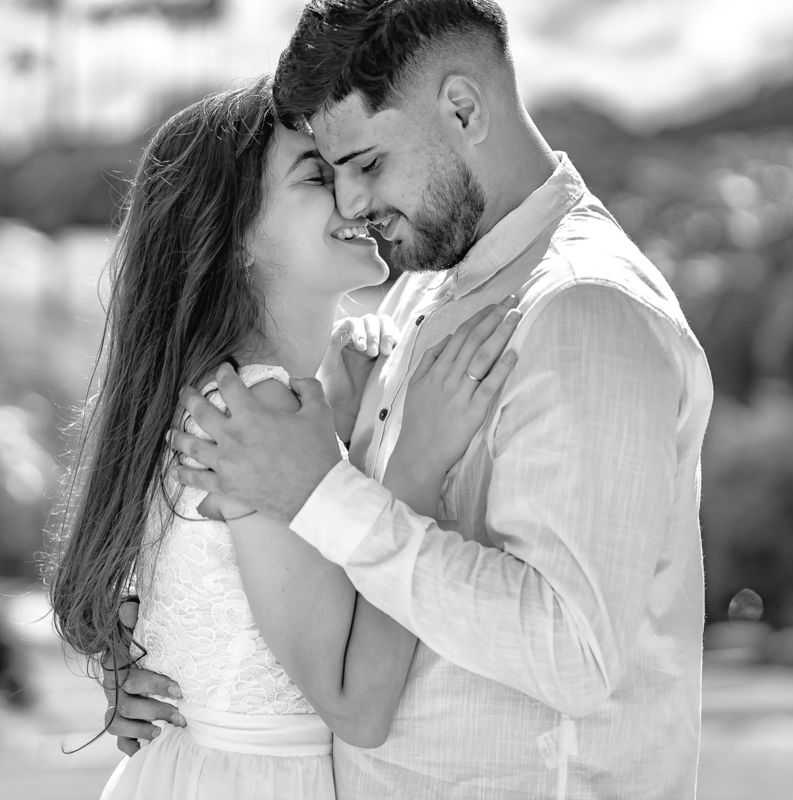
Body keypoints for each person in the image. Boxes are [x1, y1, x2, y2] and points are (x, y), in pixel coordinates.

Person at [115, 1, 716, 798]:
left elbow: (573, 653)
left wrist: (326, 496)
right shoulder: (421, 296)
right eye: (327, 174)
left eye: (366, 163)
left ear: (463, 109)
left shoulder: (583, 312)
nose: (352, 203)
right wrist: (176, 667)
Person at [46, 77, 520, 800]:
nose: (354, 196)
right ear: (234, 238)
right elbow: (356, 706)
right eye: (316, 176)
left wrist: (342, 429)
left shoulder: (228, 395)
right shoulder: (253, 408)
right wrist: (416, 465)